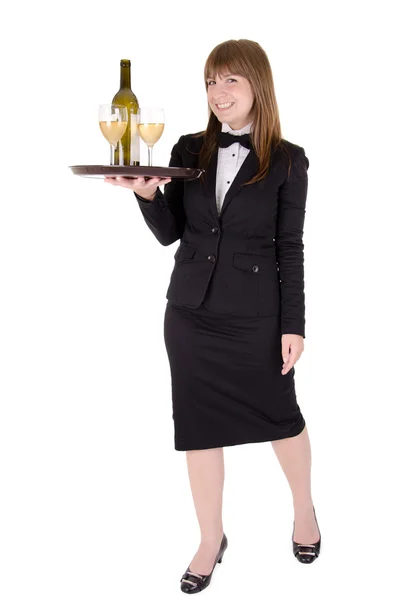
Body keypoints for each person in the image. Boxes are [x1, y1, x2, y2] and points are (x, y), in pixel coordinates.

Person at [104, 38, 321, 593]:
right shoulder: (187, 146)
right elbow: (171, 233)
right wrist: (147, 196)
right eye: (209, 81)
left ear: (257, 85)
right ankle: (209, 538)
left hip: (256, 318)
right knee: (197, 429)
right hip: (190, 315)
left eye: (229, 80)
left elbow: (289, 247)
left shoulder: (289, 159)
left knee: (282, 417)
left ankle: (304, 510)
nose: (217, 93)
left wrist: (293, 324)